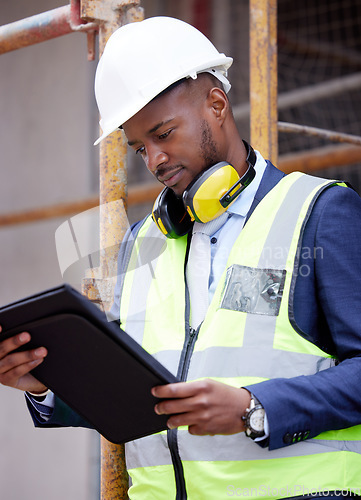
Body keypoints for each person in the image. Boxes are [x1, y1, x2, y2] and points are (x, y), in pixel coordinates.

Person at [1, 16, 361, 500]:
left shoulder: (318, 213)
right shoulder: (140, 243)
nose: (154, 160)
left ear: (216, 104)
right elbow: (131, 400)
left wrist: (254, 408)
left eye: (164, 133)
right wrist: (41, 384)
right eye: (139, 147)